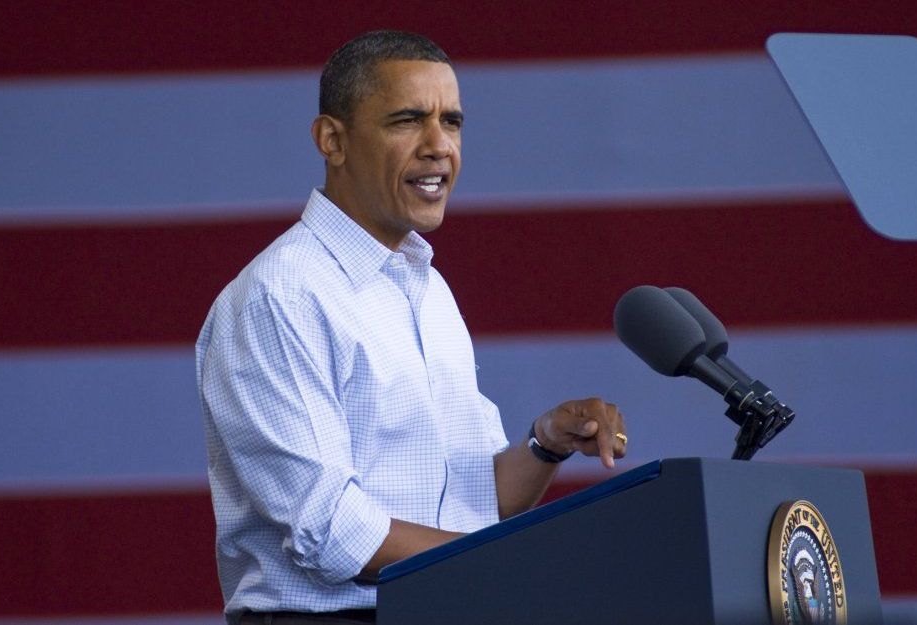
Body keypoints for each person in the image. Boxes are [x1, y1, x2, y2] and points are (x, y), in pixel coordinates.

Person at [196, 30, 628, 625]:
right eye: (407, 120)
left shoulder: (425, 286)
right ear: (333, 140)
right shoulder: (280, 296)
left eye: (451, 122)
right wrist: (520, 566)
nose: (438, 146)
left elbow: (473, 508)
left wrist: (545, 443)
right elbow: (332, 531)